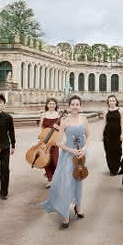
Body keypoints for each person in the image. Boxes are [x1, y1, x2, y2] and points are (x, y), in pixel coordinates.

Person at [40, 95, 90, 228]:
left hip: (81, 155)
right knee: (67, 183)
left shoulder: (84, 119)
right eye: (72, 104)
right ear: (69, 106)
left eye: (77, 104)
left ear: (80, 106)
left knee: (78, 181)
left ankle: (78, 206)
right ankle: (65, 212)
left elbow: (89, 136)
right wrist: (71, 150)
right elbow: (57, 142)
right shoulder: (65, 121)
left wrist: (84, 149)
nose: (75, 106)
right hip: (69, 154)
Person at [39, 98, 61, 188]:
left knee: (55, 160)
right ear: (47, 105)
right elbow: (40, 127)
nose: (51, 105)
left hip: (55, 141)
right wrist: (39, 135)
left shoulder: (58, 115)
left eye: (53, 104)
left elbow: (62, 129)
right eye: (50, 104)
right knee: (45, 160)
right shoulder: (44, 115)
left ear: (56, 105)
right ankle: (50, 179)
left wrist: (58, 127)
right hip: (45, 140)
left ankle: (56, 178)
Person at [103, 95, 122, 176]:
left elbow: (122, 123)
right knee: (109, 151)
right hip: (108, 133)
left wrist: (122, 134)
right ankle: (112, 169)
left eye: (113, 100)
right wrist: (102, 135)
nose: (112, 102)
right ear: (108, 102)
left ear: (116, 101)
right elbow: (104, 123)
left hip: (117, 133)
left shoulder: (120, 110)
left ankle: (117, 168)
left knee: (118, 151)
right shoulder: (105, 111)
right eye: (110, 101)